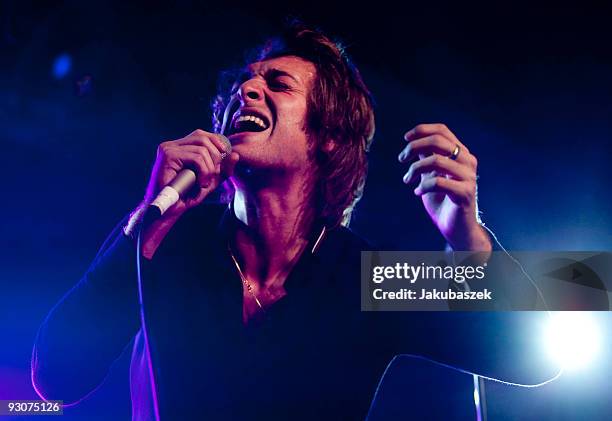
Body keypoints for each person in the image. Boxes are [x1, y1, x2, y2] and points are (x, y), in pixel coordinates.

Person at [32, 22, 498, 420]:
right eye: (245, 83)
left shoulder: (365, 275)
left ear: (328, 134)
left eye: (279, 84)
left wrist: (468, 239)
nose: (247, 90)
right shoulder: (169, 240)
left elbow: (534, 346)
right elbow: (56, 378)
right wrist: (150, 218)